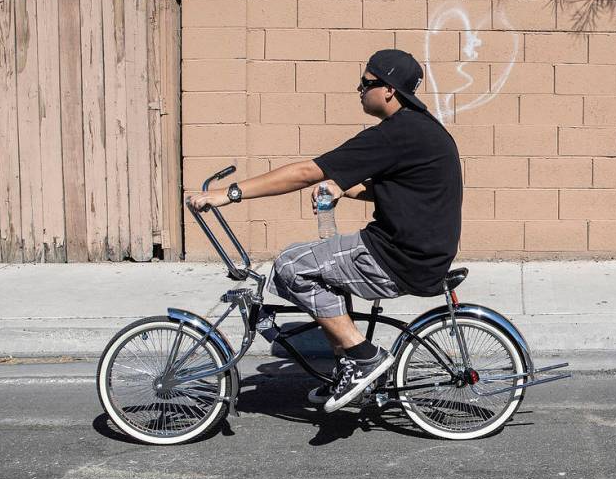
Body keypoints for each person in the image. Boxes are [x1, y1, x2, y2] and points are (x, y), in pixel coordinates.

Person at [188, 49, 462, 413]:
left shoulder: (396, 134)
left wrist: (228, 194)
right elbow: (402, 189)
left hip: (398, 256)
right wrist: (342, 187)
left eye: (366, 83)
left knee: (290, 264)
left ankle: (364, 357)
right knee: (323, 265)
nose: (359, 90)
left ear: (390, 90)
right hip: (415, 250)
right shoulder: (418, 129)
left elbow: (306, 172)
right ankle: (349, 366)